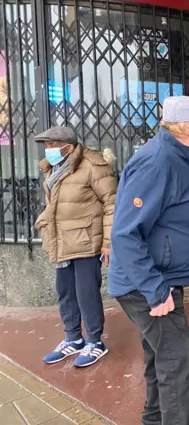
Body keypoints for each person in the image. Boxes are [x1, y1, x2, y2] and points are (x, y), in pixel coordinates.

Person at [108, 96, 189, 425]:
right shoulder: (159, 161)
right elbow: (126, 234)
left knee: (161, 357)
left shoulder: (175, 158)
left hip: (156, 278)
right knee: (181, 362)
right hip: (148, 283)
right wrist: (155, 290)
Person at [35, 126, 117, 367]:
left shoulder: (93, 165)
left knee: (86, 293)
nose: (47, 150)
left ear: (67, 147)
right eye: (45, 146)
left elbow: (112, 204)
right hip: (62, 240)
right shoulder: (53, 168)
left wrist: (108, 243)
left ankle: (95, 341)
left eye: (51, 145)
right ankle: (73, 338)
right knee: (66, 292)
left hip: (86, 240)